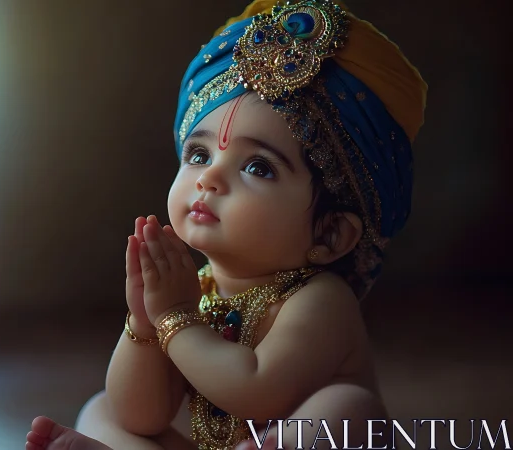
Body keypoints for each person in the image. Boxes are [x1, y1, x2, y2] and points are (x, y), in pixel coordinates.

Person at [26, 0, 427, 448]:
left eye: (258, 167)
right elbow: (143, 415)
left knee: (347, 410)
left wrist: (175, 320)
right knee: (102, 410)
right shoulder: (193, 289)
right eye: (199, 156)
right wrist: (143, 323)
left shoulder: (320, 302)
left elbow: (256, 391)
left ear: (330, 233)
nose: (210, 179)